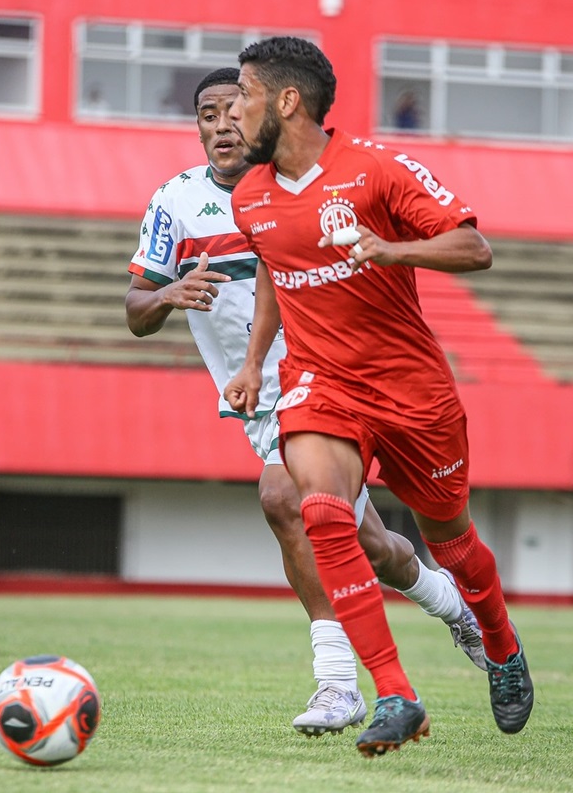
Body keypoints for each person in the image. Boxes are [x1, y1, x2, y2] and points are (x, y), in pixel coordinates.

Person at [125, 68, 489, 737]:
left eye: (236, 111)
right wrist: (167, 296)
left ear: (262, 116)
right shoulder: (175, 202)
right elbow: (134, 311)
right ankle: (452, 607)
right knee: (371, 544)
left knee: (281, 499)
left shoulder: (306, 186)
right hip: (255, 390)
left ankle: (338, 682)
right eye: (209, 114)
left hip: (327, 375)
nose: (223, 125)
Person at [223, 37, 534, 757]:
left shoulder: (376, 170)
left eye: (243, 94)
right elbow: (275, 267)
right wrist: (251, 361)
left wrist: (392, 249)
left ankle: (499, 637)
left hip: (412, 392)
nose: (233, 110)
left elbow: (472, 247)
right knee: (323, 509)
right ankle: (395, 693)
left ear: (287, 100)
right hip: (322, 382)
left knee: (454, 545)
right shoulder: (250, 197)